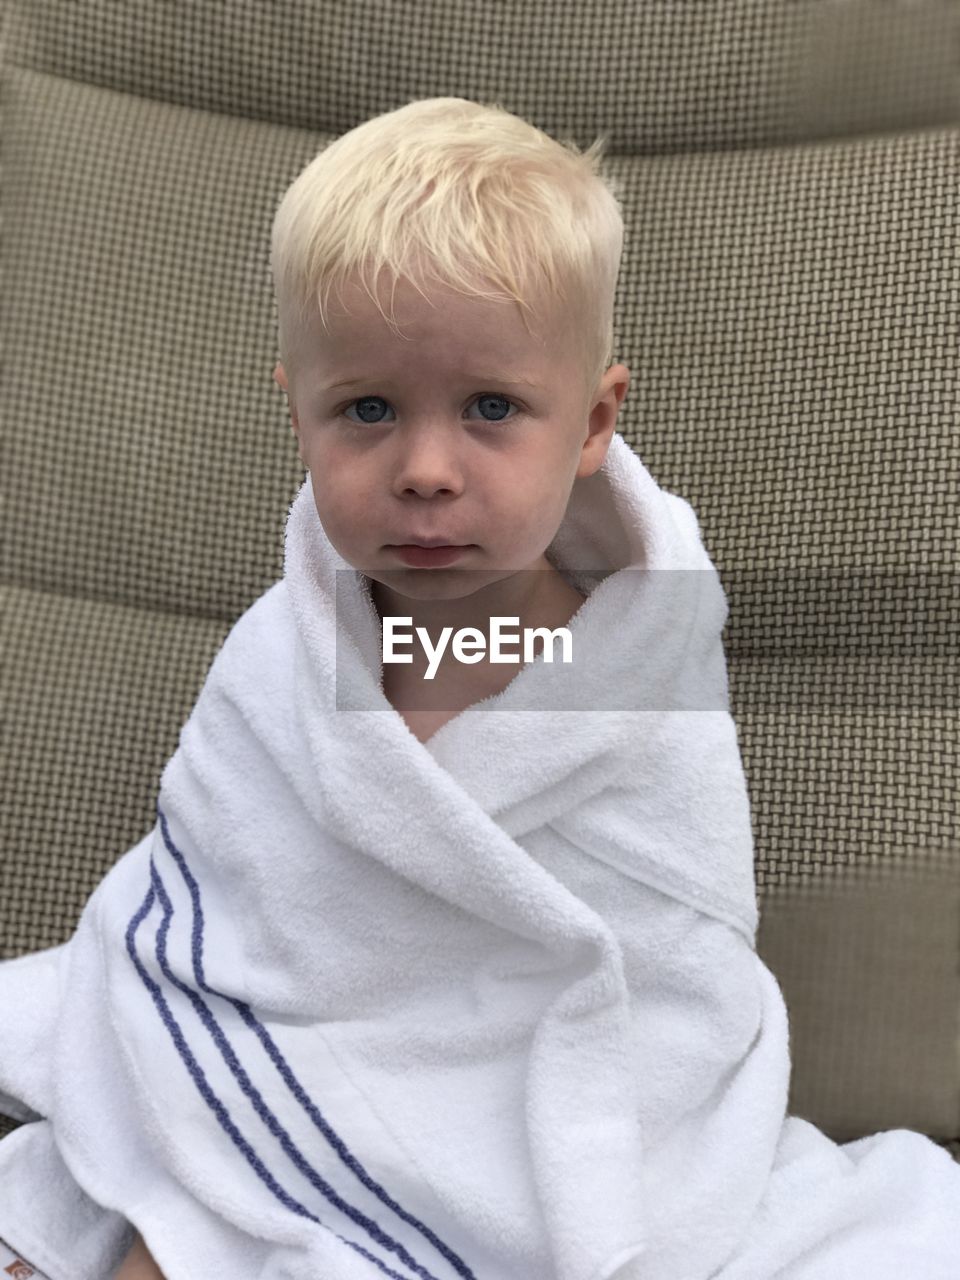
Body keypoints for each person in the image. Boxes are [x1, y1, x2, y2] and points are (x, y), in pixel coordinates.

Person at [112, 95, 627, 1280]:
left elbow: (664, 951)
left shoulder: (623, 670)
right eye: (369, 410)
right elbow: (221, 899)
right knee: (170, 1219)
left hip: (512, 1094)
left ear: (592, 420)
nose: (427, 472)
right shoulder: (285, 653)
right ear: (298, 411)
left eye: (492, 407)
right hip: (295, 1056)